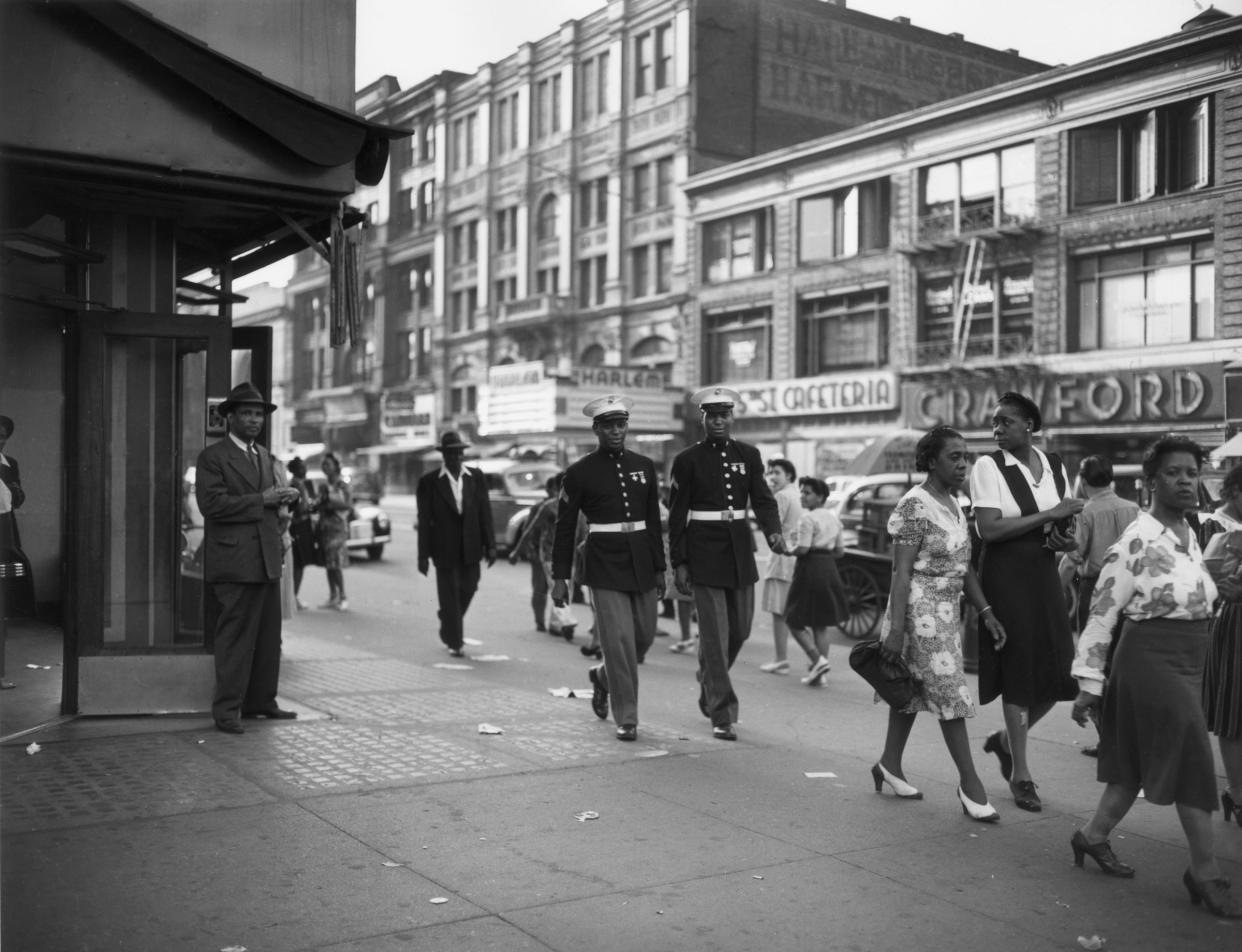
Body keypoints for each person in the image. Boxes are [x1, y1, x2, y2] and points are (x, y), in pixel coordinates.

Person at [1069, 435, 1240, 918]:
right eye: (1173, 473)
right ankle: (1204, 871)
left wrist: (1220, 590)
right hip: (1150, 661)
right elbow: (1101, 611)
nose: (1186, 480)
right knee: (1192, 760)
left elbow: (1187, 595)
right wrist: (1088, 683)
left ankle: (1091, 836)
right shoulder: (1137, 540)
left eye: (1192, 472)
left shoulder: (1192, 536)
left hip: (1191, 661)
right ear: (1150, 483)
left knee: (1132, 767)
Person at [872, 426, 1007, 821]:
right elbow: (900, 574)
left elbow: (964, 569)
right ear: (931, 461)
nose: (963, 463)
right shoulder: (915, 505)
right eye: (954, 456)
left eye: (966, 455)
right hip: (918, 612)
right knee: (950, 695)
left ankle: (889, 764)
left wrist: (985, 611)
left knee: (909, 692)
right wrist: (897, 629)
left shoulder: (953, 502)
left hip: (948, 611)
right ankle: (971, 784)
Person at [969, 391, 1084, 811]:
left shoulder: (1054, 464)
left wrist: (1064, 536)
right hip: (1006, 575)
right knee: (1018, 669)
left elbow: (1065, 527)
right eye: (994, 423)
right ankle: (1021, 772)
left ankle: (1004, 742)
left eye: (1005, 422)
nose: (996, 429)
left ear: (1029, 426)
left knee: (1061, 671)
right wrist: (1049, 517)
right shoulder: (988, 466)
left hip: (1044, 573)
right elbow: (989, 530)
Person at [668, 386, 784, 741]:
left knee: (741, 631)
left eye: (724, 415)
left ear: (732, 418)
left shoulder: (748, 454)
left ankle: (708, 678)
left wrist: (773, 532)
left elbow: (762, 500)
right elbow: (677, 515)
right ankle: (722, 712)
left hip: (738, 549)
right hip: (703, 552)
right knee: (716, 638)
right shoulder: (687, 459)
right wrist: (680, 562)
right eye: (711, 416)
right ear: (703, 419)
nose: (718, 421)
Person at [551, 395, 664, 741]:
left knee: (643, 637)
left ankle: (602, 677)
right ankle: (627, 717)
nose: (616, 431)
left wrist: (661, 568)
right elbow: (565, 528)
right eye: (609, 426)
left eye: (621, 424)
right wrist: (560, 577)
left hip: (642, 562)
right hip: (604, 564)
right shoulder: (579, 472)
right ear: (596, 429)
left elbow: (654, 522)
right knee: (617, 642)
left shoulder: (644, 466)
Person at [195, 382, 301, 734]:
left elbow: (269, 503)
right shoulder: (212, 457)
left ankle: (261, 702)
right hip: (235, 563)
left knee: (269, 638)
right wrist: (264, 500)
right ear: (230, 417)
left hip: (267, 558)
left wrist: (286, 497)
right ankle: (226, 711)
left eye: (258, 414)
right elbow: (211, 506)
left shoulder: (265, 455)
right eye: (247, 413)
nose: (254, 420)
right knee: (236, 638)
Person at [1057, 455, 1140, 756]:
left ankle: (1109, 740)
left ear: (1082, 480)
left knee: (1095, 664)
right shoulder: (1134, 508)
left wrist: (1058, 590)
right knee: (1123, 664)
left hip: (1097, 592)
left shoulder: (1086, 511)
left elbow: (1073, 558)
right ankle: (1128, 737)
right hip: (1132, 593)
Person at [416, 431, 496, 658]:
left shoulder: (476, 477)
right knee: (449, 594)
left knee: (470, 587)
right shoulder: (429, 483)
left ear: (463, 455)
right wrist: (422, 555)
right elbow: (424, 521)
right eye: (450, 453)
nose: (454, 458)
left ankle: (448, 620)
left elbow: (485, 512)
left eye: (458, 453)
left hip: (471, 546)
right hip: (443, 548)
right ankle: (456, 642)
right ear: (443, 455)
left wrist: (490, 545)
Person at [1198, 462, 1242, 831]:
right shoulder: (1215, 526)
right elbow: (1208, 584)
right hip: (1233, 623)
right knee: (1233, 714)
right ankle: (1237, 794)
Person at [783, 476, 847, 686]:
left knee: (793, 620)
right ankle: (820, 672)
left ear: (820, 497)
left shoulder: (807, 519)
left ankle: (816, 660)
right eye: (802, 491)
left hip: (809, 569)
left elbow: (802, 549)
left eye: (807, 493)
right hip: (828, 568)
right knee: (820, 624)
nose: (803, 496)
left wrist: (788, 550)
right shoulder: (834, 519)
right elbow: (840, 551)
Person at [758, 459, 802, 674]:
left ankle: (781, 658)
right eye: (769, 473)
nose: (772, 477)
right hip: (795, 558)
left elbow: (773, 524)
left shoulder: (782, 496)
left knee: (779, 612)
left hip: (782, 558)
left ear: (790, 476)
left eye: (777, 472)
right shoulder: (798, 494)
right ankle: (814, 658)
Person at [509, 474, 561, 634]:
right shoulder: (540, 508)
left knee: (559, 591)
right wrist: (518, 551)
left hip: (561, 555)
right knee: (540, 588)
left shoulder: (571, 505)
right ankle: (540, 621)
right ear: (549, 490)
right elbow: (528, 531)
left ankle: (557, 622)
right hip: (540, 553)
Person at [0, 414, 36, 623]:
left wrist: (14, 490)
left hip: (4, 524)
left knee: (8, 567)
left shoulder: (10, 464)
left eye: (2, 436)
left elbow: (19, 500)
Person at [316, 453, 352, 611]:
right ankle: (332, 595)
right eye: (324, 465)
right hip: (325, 527)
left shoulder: (342, 485)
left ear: (336, 466)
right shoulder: (323, 486)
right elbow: (318, 503)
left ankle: (343, 596)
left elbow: (347, 505)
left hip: (338, 528)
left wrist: (329, 505)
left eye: (328, 464)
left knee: (336, 563)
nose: (325, 467)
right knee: (328, 563)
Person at [286, 457, 316, 611]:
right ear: (296, 469)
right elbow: (299, 508)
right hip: (298, 527)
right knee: (298, 563)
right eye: (302, 467)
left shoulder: (302, 484)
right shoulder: (294, 485)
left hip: (303, 526)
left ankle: (294, 596)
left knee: (300, 563)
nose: (306, 470)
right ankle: (293, 597)